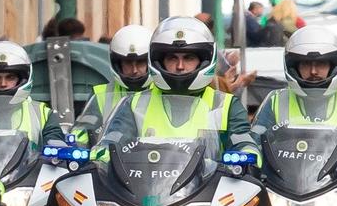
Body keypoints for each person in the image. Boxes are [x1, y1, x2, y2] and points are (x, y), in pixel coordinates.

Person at [100, 15, 257, 156]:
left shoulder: (226, 105)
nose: (180, 66)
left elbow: (241, 138)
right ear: (159, 61)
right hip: (146, 186)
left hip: (211, 187)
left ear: (203, 61)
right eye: (172, 58)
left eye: (188, 58)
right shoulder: (134, 103)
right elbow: (115, 137)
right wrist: (102, 151)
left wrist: (248, 151)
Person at [0, 40, 67, 150]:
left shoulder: (43, 115)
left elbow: (55, 148)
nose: (3, 84)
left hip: (28, 168)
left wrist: (57, 148)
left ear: (22, 79)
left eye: (10, 78)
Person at [77, 24, 152, 143]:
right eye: (128, 63)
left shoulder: (162, 93)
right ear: (117, 63)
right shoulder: (101, 93)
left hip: (154, 159)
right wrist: (75, 141)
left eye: (141, 62)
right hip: (107, 158)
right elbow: (85, 128)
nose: (134, 70)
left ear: (150, 61)